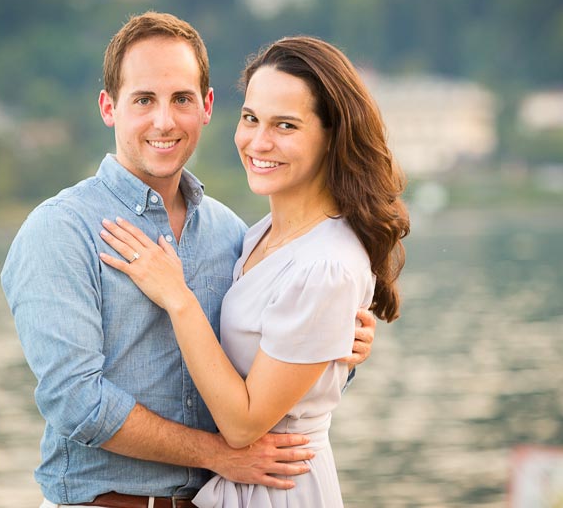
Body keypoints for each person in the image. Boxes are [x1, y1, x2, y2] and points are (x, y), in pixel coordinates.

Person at [1, 13, 377, 508]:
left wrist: (337, 350)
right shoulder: (60, 231)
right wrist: (218, 454)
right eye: (143, 100)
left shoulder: (231, 233)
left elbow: (267, 376)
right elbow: (75, 402)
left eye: (181, 99)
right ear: (108, 107)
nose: (164, 121)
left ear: (207, 107)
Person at [98, 36, 409, 507]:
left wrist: (176, 296)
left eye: (285, 125)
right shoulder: (256, 234)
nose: (258, 142)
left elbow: (243, 425)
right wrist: (333, 354)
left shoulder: (326, 265)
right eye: (251, 119)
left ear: (331, 136)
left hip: (279, 488)